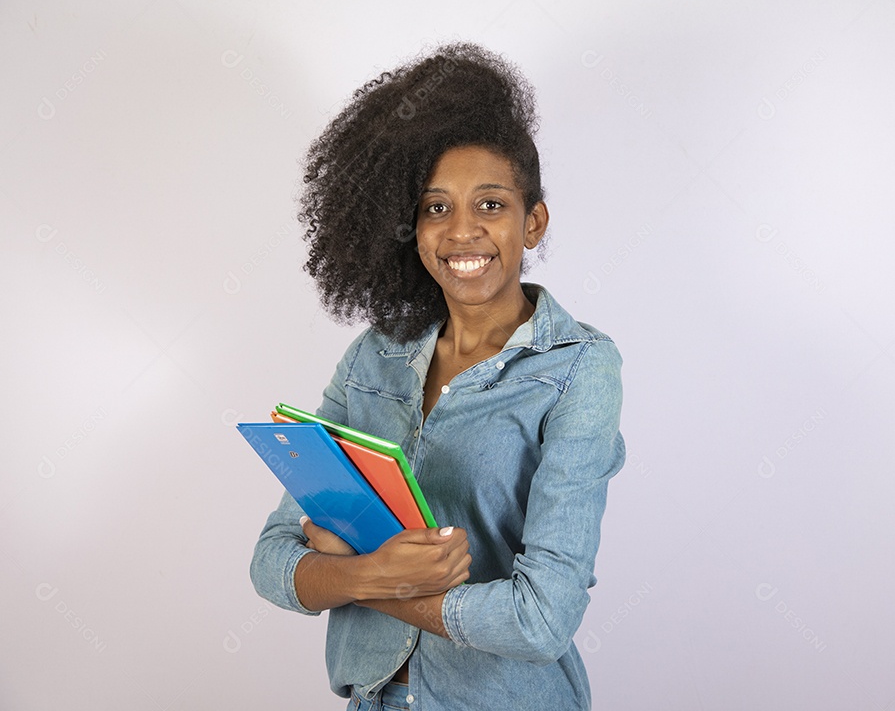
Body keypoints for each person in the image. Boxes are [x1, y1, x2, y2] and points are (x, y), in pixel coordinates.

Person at [250, 42, 625, 711]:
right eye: (435, 208)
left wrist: (356, 576)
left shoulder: (577, 368)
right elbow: (273, 563)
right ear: (410, 227)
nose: (461, 233)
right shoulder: (374, 358)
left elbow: (541, 619)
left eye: (490, 205)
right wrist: (370, 572)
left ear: (532, 219)